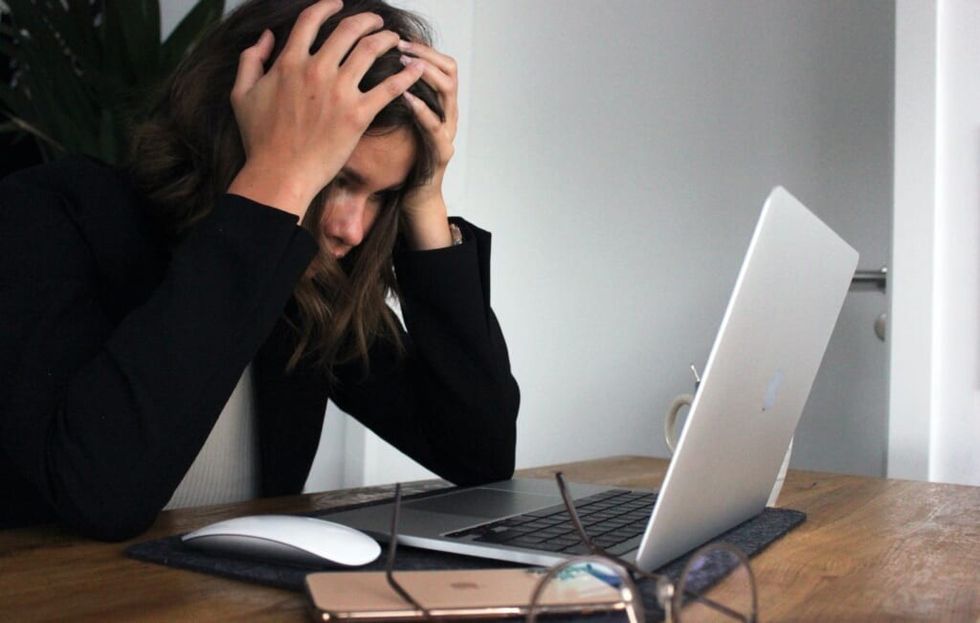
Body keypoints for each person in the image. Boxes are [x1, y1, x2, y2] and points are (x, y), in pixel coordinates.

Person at [0, 0, 519, 540]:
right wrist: (277, 178)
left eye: (382, 196)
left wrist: (424, 200)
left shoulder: (304, 283)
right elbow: (98, 496)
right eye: (337, 178)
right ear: (240, 124)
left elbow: (478, 453)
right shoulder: (45, 215)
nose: (351, 230)